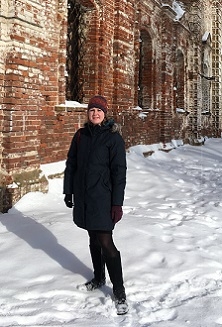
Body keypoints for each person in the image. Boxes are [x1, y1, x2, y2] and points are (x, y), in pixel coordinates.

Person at [63, 95, 128, 315]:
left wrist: (117, 203)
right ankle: (99, 278)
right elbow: (71, 164)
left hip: (103, 198)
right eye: (92, 110)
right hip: (84, 197)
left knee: (106, 242)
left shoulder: (113, 138)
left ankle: (119, 292)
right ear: (87, 113)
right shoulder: (81, 136)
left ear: (105, 113)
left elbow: (119, 173)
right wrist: (68, 191)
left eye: (99, 111)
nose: (95, 114)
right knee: (92, 238)